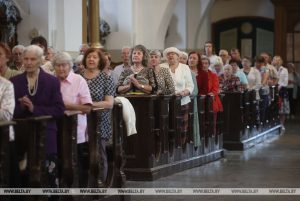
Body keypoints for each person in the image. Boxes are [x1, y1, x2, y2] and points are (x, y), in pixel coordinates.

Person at [10, 45, 65, 191]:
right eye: (26, 59)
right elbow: (10, 111)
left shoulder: (52, 81)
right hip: (22, 136)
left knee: (47, 177)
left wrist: (34, 109)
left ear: (40, 61)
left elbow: (59, 110)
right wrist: (21, 107)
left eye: (32, 59)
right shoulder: (15, 81)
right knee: (23, 178)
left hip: (46, 134)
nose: (28, 62)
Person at [53, 52, 92, 187]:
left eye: (64, 65)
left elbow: (87, 108)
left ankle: (78, 192)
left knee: (76, 164)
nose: (61, 68)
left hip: (75, 130)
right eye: (58, 65)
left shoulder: (78, 80)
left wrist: (64, 105)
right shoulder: (52, 81)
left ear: (70, 66)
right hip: (55, 128)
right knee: (57, 163)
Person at [82, 48, 115, 183]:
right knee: (81, 152)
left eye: (94, 57)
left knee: (99, 153)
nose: (91, 59)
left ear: (100, 61)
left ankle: (100, 182)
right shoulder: (79, 76)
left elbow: (109, 103)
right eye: (89, 57)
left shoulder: (106, 78)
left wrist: (89, 105)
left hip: (99, 121)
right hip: (80, 119)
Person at [163, 47, 194, 148]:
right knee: (167, 126)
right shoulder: (162, 67)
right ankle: (168, 148)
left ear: (178, 56)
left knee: (181, 128)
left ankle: (181, 147)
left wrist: (184, 92)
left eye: (173, 54)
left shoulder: (184, 67)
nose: (171, 56)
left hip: (182, 101)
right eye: (168, 54)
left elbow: (190, 85)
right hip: (166, 102)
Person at [199, 56, 223, 135]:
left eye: (206, 63)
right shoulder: (197, 74)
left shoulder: (213, 75)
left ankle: (211, 136)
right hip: (200, 100)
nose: (204, 65)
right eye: (202, 63)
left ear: (209, 65)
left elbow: (215, 89)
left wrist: (209, 94)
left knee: (212, 122)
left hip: (211, 100)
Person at [187, 51, 202, 148]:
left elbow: (195, 91)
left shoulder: (201, 73)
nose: (191, 60)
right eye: (190, 58)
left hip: (194, 100)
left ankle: (194, 141)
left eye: (194, 58)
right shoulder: (183, 70)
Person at [272, 55, 289, 130]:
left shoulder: (284, 70)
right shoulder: (271, 69)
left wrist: (279, 86)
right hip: (272, 90)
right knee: (274, 108)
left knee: (283, 109)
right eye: (275, 59)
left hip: (282, 90)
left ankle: (282, 124)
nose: (277, 61)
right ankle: (274, 124)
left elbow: (285, 81)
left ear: (281, 61)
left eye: (278, 60)